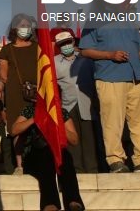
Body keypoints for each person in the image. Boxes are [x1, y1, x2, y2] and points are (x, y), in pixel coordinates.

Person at [79, 3, 140, 173]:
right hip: (110, 78)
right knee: (112, 122)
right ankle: (115, 160)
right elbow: (84, 50)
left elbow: (139, 49)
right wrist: (109, 55)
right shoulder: (95, 20)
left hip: (137, 78)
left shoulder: (128, 21)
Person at [11, 101, 85, 211]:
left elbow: (74, 140)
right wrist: (34, 119)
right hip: (34, 154)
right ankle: (50, 203)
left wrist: (59, 124)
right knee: (46, 156)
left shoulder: (61, 112)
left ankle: (73, 201)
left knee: (66, 157)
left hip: (57, 154)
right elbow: (13, 130)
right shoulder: (30, 110)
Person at [0, 13, 39, 175]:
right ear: (15, 29)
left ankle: (37, 160)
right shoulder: (7, 49)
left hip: (37, 91)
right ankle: (20, 165)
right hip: (16, 92)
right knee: (17, 127)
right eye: (22, 25)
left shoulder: (38, 47)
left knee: (37, 125)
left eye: (28, 25)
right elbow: (3, 75)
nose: (25, 29)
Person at [53, 31, 98, 174]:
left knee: (89, 138)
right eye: (62, 44)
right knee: (73, 140)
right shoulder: (54, 62)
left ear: (73, 41)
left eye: (68, 42)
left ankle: (92, 170)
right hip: (68, 105)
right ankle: (76, 170)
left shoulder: (86, 58)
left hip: (88, 103)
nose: (66, 46)